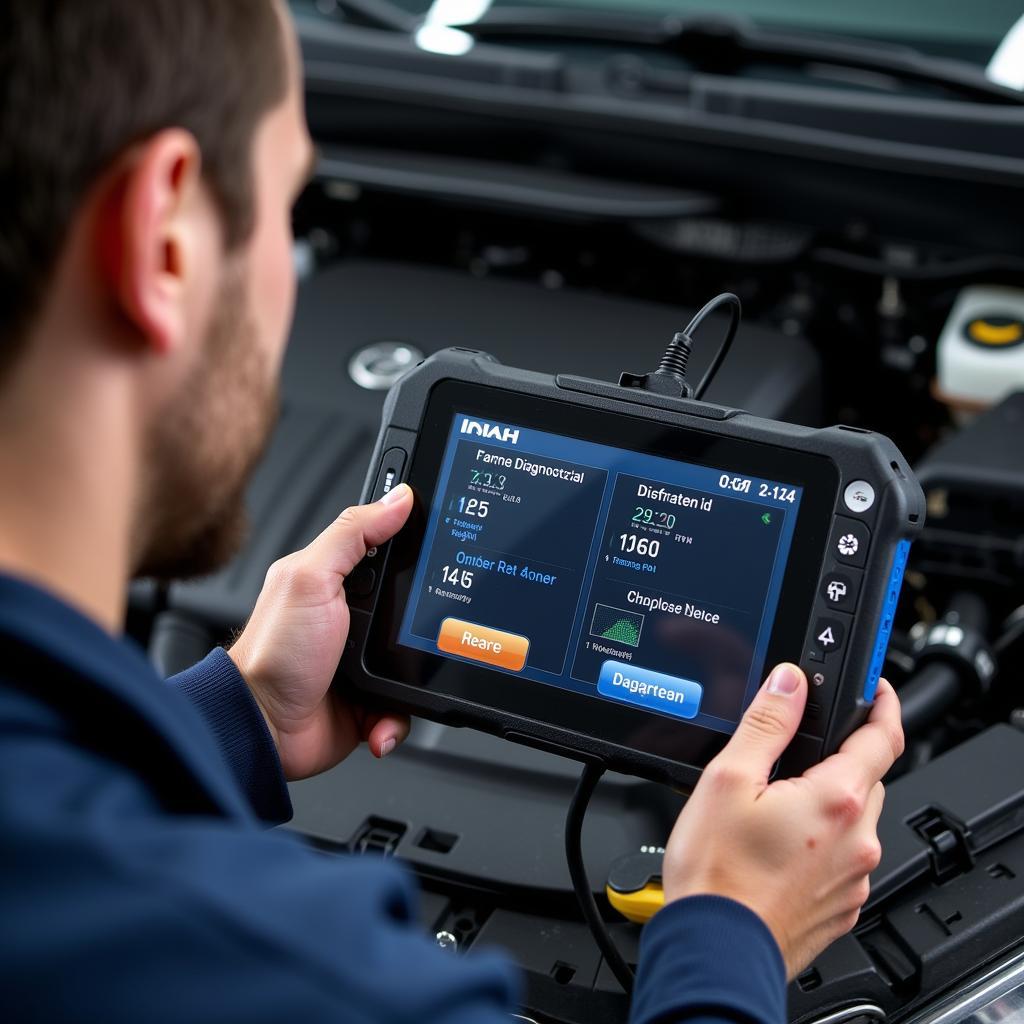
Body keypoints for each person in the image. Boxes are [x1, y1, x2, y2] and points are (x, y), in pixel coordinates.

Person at [0, 2, 904, 1021]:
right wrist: (731, 931)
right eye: (287, 206)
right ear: (160, 237)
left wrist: (235, 717)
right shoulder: (300, 981)